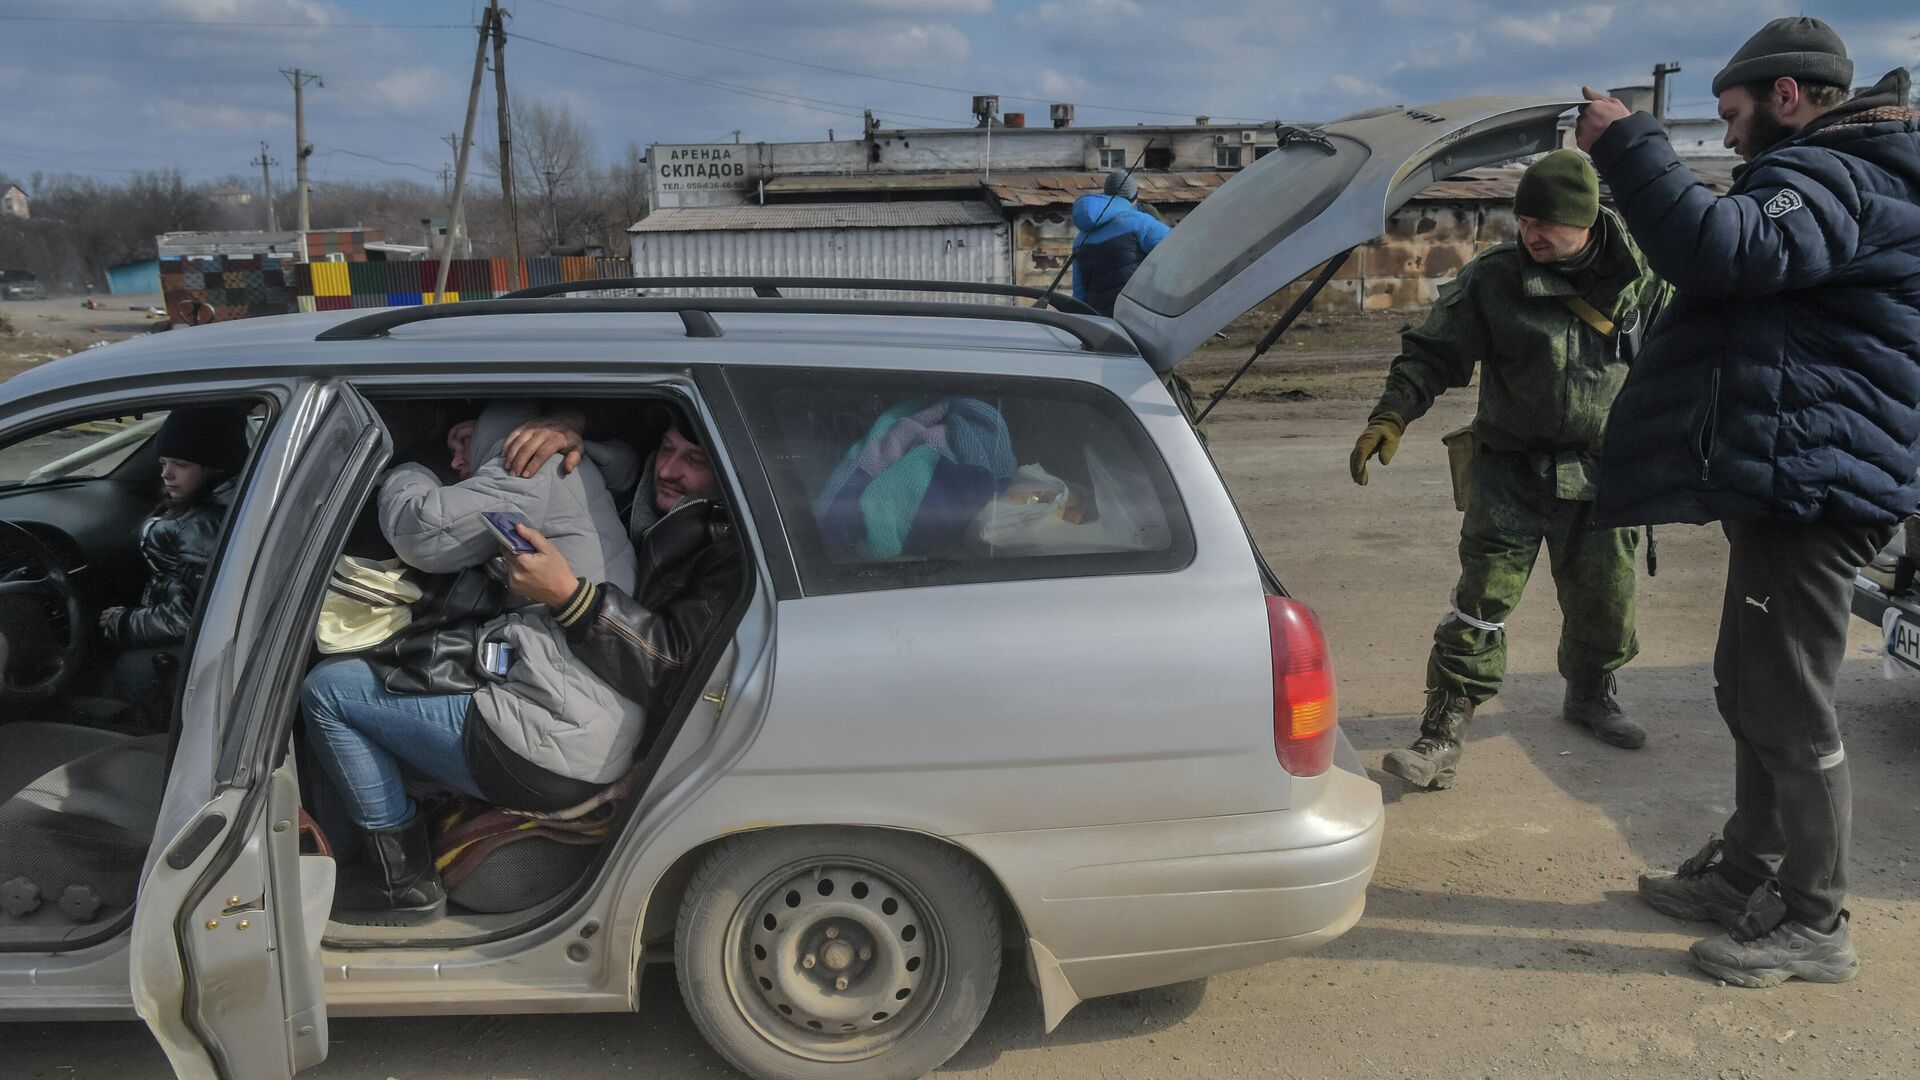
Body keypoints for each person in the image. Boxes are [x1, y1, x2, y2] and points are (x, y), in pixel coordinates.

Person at [1575, 18, 1920, 986]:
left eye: (1730, 117)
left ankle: (1817, 920)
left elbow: (1719, 250)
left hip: (1818, 484)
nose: (1724, 139)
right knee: (1746, 684)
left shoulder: (1838, 176)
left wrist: (1632, 146)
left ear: (1789, 95)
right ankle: (1743, 873)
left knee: (1790, 707)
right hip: (1795, 473)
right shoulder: (1833, 173)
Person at [1351, 150, 1673, 791]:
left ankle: (1590, 695)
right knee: (1481, 602)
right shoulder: (1495, 280)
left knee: (1606, 604)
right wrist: (1391, 416)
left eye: (1544, 224)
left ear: (1586, 222)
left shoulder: (1645, 282)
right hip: (1510, 471)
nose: (1529, 235)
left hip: (1603, 474)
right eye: (1522, 221)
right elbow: (1432, 353)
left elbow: (1687, 362)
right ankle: (1441, 733)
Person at [300, 399, 639, 924]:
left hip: (552, 739)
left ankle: (400, 885)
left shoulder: (527, 459)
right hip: (580, 719)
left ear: (499, 426)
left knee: (328, 691)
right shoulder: (574, 459)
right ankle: (343, 863)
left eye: (462, 441)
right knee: (367, 713)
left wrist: (408, 465)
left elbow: (423, 534)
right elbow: (625, 461)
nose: (457, 462)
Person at [498, 412, 744, 726]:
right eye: (667, 449)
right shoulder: (639, 475)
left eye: (695, 460)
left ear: (728, 474)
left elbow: (677, 670)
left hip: (598, 721)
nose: (667, 470)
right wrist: (576, 424)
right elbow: (633, 416)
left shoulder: (731, 551)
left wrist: (570, 597)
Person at [99, 406, 251, 708]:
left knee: (121, 675)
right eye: (162, 462)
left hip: (191, 644)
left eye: (180, 464)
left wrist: (123, 622)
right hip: (182, 630)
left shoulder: (202, 524)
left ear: (216, 468)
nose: (166, 474)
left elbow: (190, 615)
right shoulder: (203, 506)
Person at [1071, 169, 1171, 317]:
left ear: (1107, 196)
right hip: (1136, 318)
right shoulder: (1141, 223)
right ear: (1134, 197)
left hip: (1098, 324)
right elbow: (1179, 251)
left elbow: (1079, 294)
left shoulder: (1081, 238)